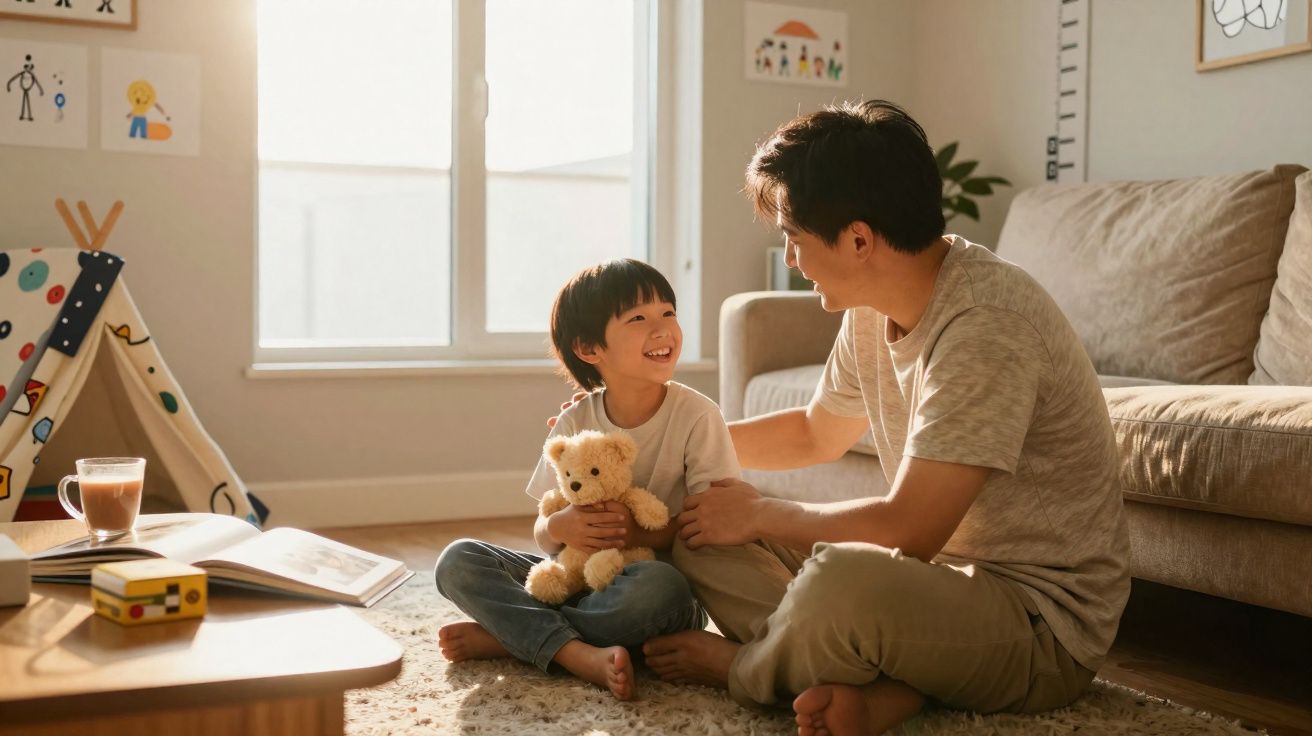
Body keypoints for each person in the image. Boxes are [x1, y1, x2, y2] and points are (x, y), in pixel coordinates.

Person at [639, 100, 1130, 735]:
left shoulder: (987, 324)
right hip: (934, 587)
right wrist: (671, 440)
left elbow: (911, 528)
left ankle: (750, 668)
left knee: (838, 580)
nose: (789, 258)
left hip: (1039, 626)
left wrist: (761, 513)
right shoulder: (871, 308)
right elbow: (817, 431)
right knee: (700, 525)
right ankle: (874, 682)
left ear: (859, 239)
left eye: (795, 238)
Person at [435, 259, 741, 701]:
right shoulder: (575, 419)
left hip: (650, 591)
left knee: (660, 588)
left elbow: (712, 527)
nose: (662, 329)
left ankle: (516, 638)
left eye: (668, 313)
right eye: (638, 318)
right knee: (457, 560)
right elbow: (545, 529)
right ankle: (575, 651)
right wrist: (560, 528)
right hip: (575, 582)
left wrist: (638, 531)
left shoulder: (698, 416)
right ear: (588, 348)